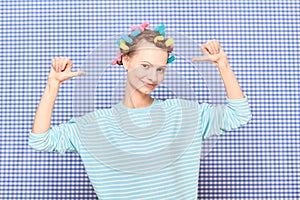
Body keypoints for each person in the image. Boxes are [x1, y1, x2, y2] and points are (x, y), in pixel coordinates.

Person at [29, 22, 252, 199]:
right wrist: (53, 84)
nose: (153, 77)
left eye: (160, 69)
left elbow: (238, 115)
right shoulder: (95, 125)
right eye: (145, 65)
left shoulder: (184, 114)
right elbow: (41, 140)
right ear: (126, 61)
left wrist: (223, 65)